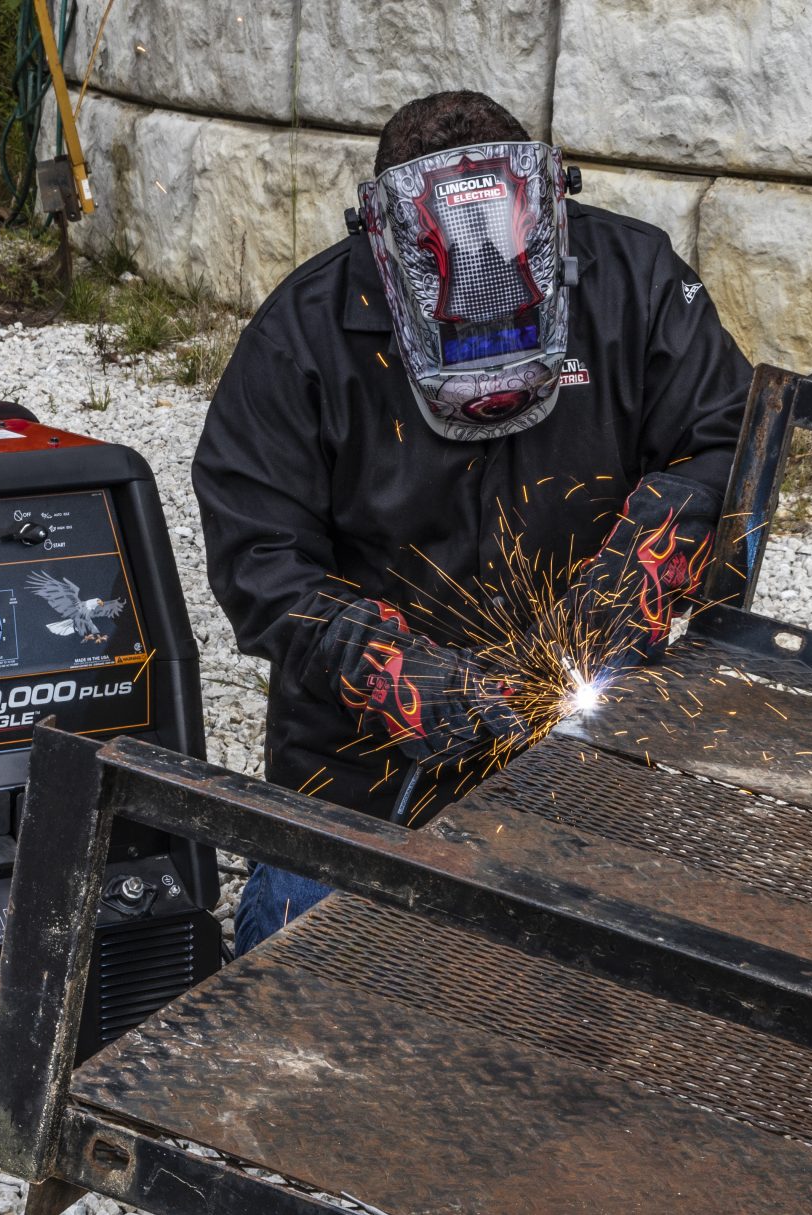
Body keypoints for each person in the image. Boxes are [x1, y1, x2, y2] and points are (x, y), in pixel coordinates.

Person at [193, 90, 755, 951]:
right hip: (366, 775)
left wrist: (645, 559)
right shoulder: (298, 340)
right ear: (384, 246)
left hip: (598, 753)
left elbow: (732, 446)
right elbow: (259, 560)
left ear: (548, 217)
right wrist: (382, 663)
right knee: (302, 962)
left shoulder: (634, 284)